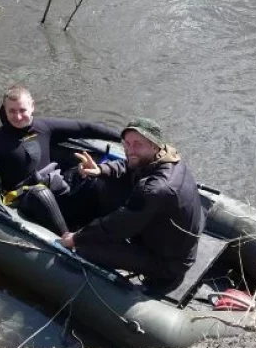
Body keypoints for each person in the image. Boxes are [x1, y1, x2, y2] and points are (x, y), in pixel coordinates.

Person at [59, 118, 203, 290]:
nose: (130, 150)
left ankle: (117, 289)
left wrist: (77, 238)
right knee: (109, 184)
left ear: (154, 145)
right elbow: (126, 165)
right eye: (126, 144)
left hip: (168, 262)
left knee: (86, 248)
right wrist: (101, 169)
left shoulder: (157, 188)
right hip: (169, 239)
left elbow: (118, 225)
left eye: (137, 144)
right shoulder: (165, 157)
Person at [0, 85, 121, 235]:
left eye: (22, 110)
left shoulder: (44, 126)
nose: (18, 117)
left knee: (93, 178)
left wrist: (124, 138)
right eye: (12, 111)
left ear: (32, 106)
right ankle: (67, 241)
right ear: (5, 110)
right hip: (26, 197)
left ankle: (109, 229)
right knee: (41, 194)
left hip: (55, 185)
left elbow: (84, 127)